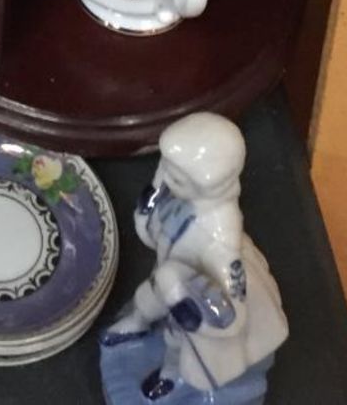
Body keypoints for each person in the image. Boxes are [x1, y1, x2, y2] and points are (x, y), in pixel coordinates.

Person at [102, 111, 288, 401]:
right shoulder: (180, 189)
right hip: (169, 268)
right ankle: (138, 322)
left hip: (193, 284)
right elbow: (159, 187)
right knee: (148, 295)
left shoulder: (221, 235)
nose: (167, 176)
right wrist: (151, 200)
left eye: (177, 176)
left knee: (177, 339)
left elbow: (231, 299)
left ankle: (170, 374)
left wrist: (194, 310)